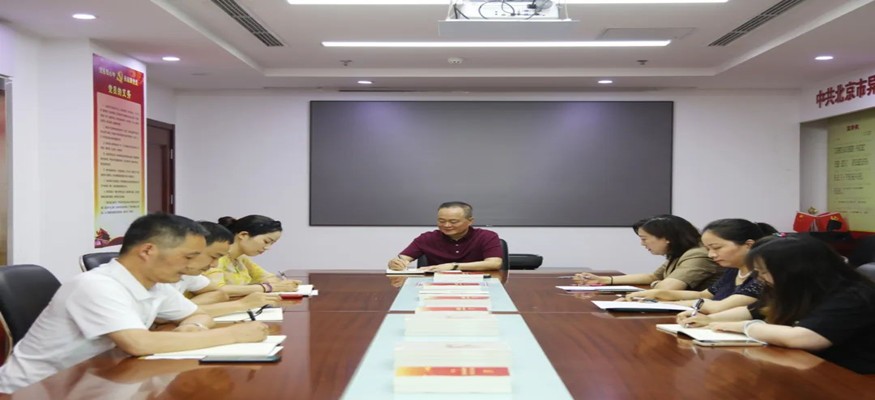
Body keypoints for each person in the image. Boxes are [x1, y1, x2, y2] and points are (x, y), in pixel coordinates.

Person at [0, 213, 270, 393]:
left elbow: (196, 314)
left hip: (95, 379)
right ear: (148, 250)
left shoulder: (156, 283)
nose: (193, 266)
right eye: (188, 257)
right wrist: (234, 335)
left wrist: (193, 328)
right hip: (33, 390)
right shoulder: (97, 285)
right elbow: (139, 343)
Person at [677, 236, 875, 374]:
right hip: (806, 366)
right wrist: (709, 320)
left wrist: (744, 327)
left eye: (764, 272)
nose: (760, 278)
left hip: (851, 376)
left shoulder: (852, 295)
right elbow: (754, 310)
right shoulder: (797, 289)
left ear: (797, 270)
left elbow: (804, 338)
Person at [624, 219, 765, 314]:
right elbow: (705, 295)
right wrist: (657, 294)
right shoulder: (733, 270)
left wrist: (659, 303)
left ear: (749, 245)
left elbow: (718, 306)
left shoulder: (764, 276)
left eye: (717, 248)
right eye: (708, 249)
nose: (711, 255)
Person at [576, 215, 723, 290]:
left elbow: (667, 288)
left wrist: (656, 284)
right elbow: (654, 277)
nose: (642, 244)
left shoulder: (697, 254)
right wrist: (605, 280)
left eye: (644, 239)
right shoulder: (680, 252)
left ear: (667, 238)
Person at [175, 221, 279, 317]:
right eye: (266, 241)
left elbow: (219, 293)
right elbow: (172, 315)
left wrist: (187, 309)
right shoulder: (168, 280)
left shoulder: (189, 275)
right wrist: (242, 303)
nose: (214, 265)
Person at [387, 201, 503, 272]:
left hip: (478, 285)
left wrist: (453, 266)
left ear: (470, 221)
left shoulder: (487, 236)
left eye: (453, 221)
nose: (446, 225)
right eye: (441, 221)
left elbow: (494, 263)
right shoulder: (427, 238)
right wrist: (395, 263)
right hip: (434, 286)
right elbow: (402, 258)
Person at [205, 215, 300, 296]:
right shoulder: (217, 257)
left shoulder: (241, 258)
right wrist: (266, 287)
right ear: (243, 235)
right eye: (266, 241)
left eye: (272, 243)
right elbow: (217, 289)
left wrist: (281, 284)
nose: (267, 248)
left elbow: (266, 277)